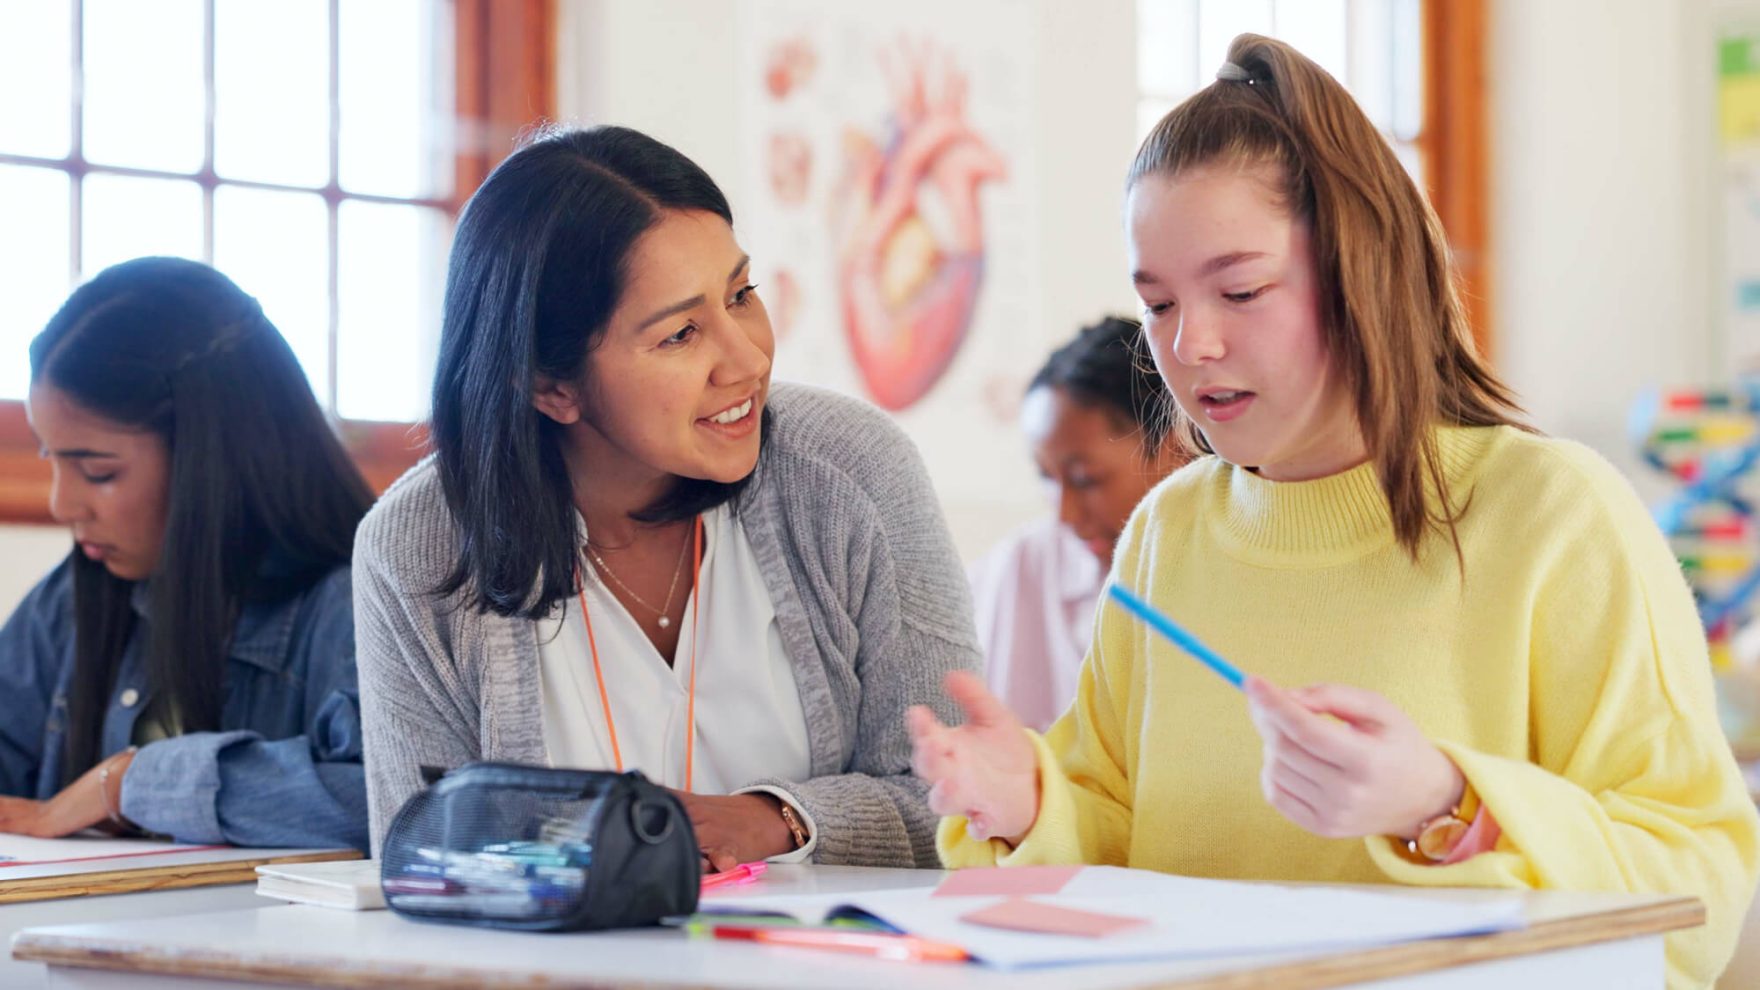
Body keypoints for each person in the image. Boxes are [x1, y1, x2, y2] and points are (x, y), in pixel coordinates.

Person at [906, 35, 1760, 988]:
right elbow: (1115, 832)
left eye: (1241, 289)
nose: (1191, 343)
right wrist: (1028, 802)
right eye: (1157, 303)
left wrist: (1445, 803)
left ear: (1362, 272)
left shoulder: (1556, 514)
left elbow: (1699, 882)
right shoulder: (1166, 532)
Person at [354, 125, 978, 869]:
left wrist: (777, 820)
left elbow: (958, 799)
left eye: (740, 295)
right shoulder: (417, 545)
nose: (747, 359)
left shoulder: (850, 473)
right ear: (551, 386)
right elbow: (422, 854)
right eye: (681, 334)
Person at [0, 257, 373, 850]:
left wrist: (131, 784)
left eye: (97, 471)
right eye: (52, 460)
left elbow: (396, 808)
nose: (62, 504)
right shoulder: (70, 599)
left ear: (214, 460)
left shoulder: (355, 605)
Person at [969, 316, 1185, 730]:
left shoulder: (1228, 575)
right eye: (1047, 478)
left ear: (1177, 449)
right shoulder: (1017, 569)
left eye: (1086, 479)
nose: (1065, 515)